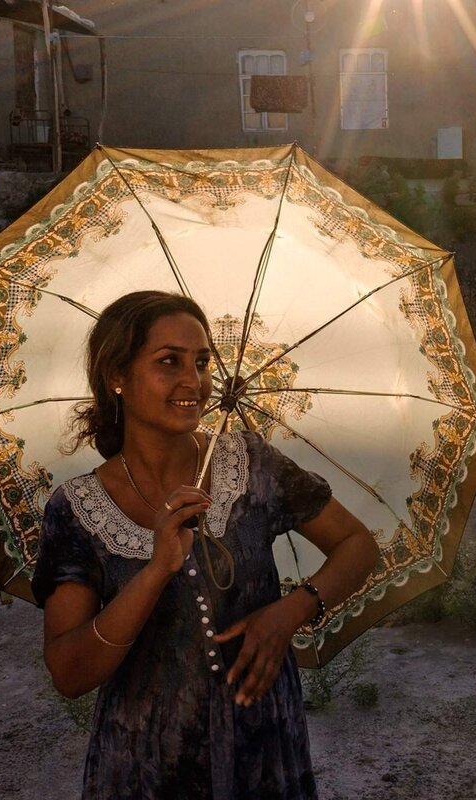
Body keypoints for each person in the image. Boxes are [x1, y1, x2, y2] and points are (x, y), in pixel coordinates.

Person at [32, 290, 379, 799]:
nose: (193, 381)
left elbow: (357, 545)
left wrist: (289, 613)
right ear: (117, 376)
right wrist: (155, 571)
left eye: (201, 362)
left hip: (265, 752)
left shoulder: (252, 464)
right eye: (168, 362)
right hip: (147, 766)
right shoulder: (78, 508)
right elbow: (69, 672)